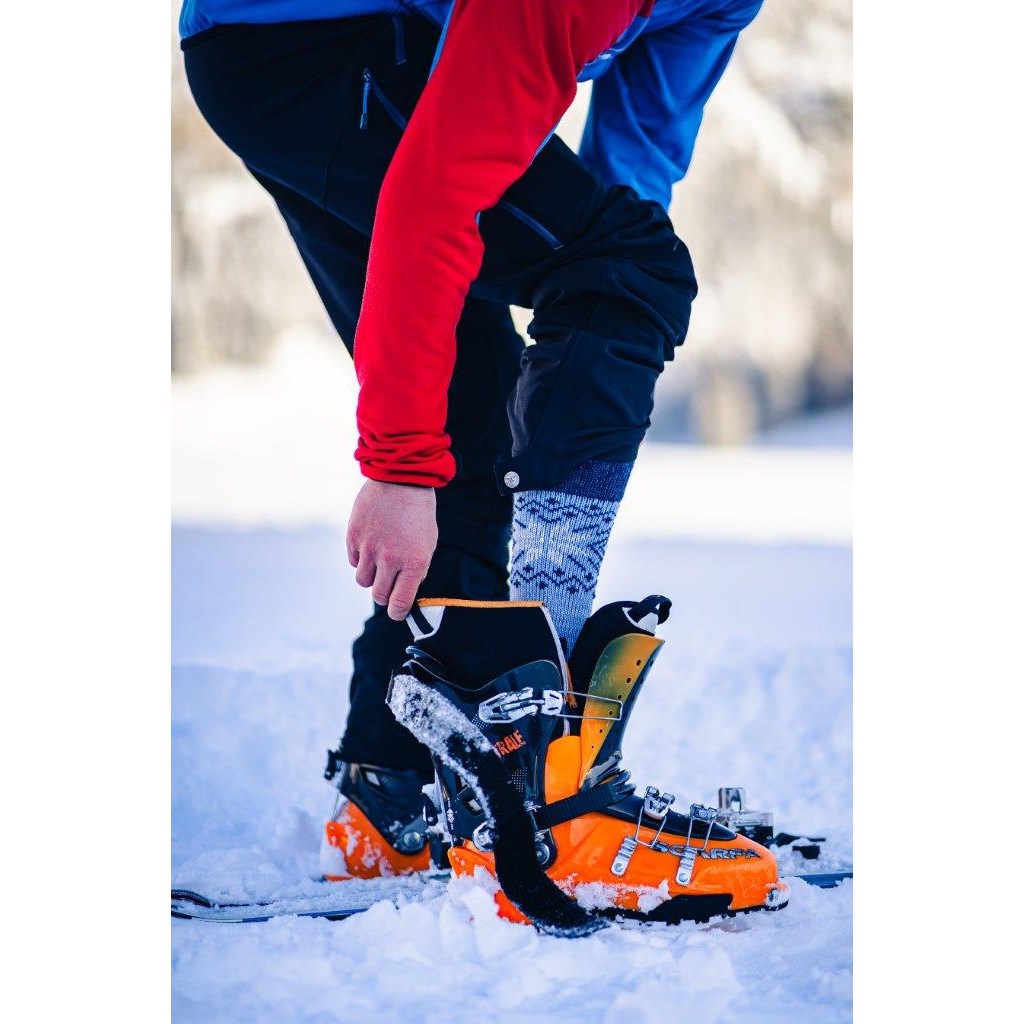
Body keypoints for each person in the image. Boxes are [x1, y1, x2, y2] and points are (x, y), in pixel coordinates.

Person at [179, 0, 764, 881]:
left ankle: (398, 790)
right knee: (629, 275)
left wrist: (588, 340)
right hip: (311, 45)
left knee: (489, 386)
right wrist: (399, 464)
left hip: (297, 47)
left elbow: (627, 178)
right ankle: (545, 776)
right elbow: (440, 194)